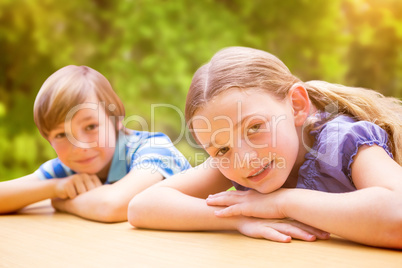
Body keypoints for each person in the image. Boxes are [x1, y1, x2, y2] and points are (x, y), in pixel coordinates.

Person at [128, 46, 402, 249]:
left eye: (255, 128)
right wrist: (237, 219)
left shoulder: (342, 140)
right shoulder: (234, 161)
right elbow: (143, 206)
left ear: (296, 105)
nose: (244, 160)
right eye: (221, 150)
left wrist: (280, 202)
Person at [0, 65, 191, 222]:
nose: (79, 146)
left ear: (116, 120)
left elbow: (113, 206)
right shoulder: (67, 171)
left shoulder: (153, 148)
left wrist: (62, 202)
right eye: (61, 135)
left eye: (91, 126)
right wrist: (55, 188)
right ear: (48, 140)